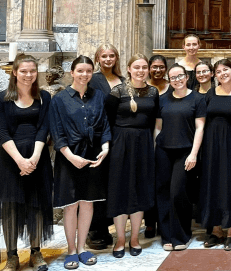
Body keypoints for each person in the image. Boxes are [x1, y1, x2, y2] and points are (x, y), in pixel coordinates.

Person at [0, 55, 53, 271]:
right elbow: (2, 133)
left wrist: (33, 158)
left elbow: (44, 128)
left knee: (36, 206)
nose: (28, 75)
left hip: (37, 157)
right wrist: (20, 161)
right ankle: (13, 256)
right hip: (9, 160)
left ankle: (36, 253)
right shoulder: (0, 99)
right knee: (10, 208)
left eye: (32, 71)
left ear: (37, 72)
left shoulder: (44, 97)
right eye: (23, 71)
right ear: (14, 72)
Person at [49, 55, 111, 270]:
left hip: (93, 155)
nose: (84, 75)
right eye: (80, 71)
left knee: (87, 203)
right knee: (71, 205)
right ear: (72, 73)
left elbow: (104, 126)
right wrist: (71, 157)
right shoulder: (60, 99)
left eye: (88, 71)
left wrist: (105, 148)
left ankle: (83, 247)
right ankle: (71, 250)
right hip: (69, 156)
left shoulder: (99, 97)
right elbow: (57, 132)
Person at [105, 54, 159, 258]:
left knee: (139, 189)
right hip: (121, 144)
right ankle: (120, 238)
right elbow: (108, 121)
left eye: (144, 67)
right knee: (120, 190)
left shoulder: (153, 92)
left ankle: (135, 237)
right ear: (129, 69)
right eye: (136, 67)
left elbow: (154, 121)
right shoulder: (117, 92)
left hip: (144, 143)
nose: (141, 71)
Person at [154, 64, 205, 251]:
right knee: (163, 193)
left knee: (178, 193)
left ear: (186, 77)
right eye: (173, 77)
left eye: (180, 76)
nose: (177, 80)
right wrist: (155, 146)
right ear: (169, 80)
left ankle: (182, 235)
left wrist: (193, 153)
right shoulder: (162, 99)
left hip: (185, 151)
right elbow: (158, 126)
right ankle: (167, 236)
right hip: (163, 151)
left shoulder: (197, 99)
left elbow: (200, 127)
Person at [200, 59, 231, 250]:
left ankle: (230, 231)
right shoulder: (210, 94)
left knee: (229, 184)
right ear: (214, 75)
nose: (222, 73)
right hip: (211, 146)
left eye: (225, 69)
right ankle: (216, 229)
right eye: (218, 71)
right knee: (213, 184)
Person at [87, 44, 124, 250]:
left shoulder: (124, 81)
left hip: (119, 137)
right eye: (104, 56)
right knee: (97, 182)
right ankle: (95, 228)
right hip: (98, 137)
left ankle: (109, 226)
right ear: (97, 59)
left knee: (113, 183)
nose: (108, 59)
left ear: (116, 58)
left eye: (112, 56)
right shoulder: (92, 79)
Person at [144, 54, 169, 239]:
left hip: (166, 139)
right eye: (154, 67)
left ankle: (163, 220)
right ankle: (149, 222)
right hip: (145, 138)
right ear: (149, 68)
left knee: (163, 183)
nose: (158, 70)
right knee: (148, 182)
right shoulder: (143, 88)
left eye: (161, 67)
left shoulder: (171, 87)